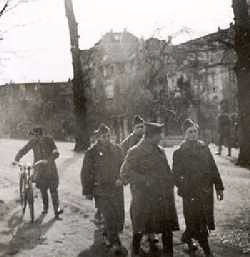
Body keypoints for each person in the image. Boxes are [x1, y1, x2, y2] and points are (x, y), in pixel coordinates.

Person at [120, 122, 179, 257]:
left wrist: (173, 179)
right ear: (152, 136)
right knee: (140, 230)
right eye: (159, 134)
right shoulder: (135, 151)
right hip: (144, 199)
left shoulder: (160, 151)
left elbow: (167, 171)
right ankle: (135, 253)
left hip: (162, 198)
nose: (161, 137)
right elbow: (124, 173)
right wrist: (145, 180)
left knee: (166, 229)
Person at [173, 119, 224, 257]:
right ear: (185, 134)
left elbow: (213, 168)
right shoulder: (179, 152)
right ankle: (207, 251)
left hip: (205, 192)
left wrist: (219, 187)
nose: (193, 134)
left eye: (195, 131)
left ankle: (187, 237)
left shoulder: (204, 148)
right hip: (190, 194)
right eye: (190, 132)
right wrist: (185, 186)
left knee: (201, 220)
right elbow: (176, 175)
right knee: (197, 221)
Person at [81, 123, 125, 252]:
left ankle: (108, 234)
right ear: (98, 137)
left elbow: (123, 167)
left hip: (116, 188)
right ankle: (114, 242)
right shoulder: (92, 152)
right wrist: (87, 191)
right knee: (109, 215)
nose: (106, 138)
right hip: (100, 189)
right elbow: (85, 172)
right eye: (103, 136)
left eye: (107, 136)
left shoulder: (117, 150)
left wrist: (122, 179)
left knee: (118, 215)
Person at [14, 126, 63, 219]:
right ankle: (45, 208)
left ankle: (57, 212)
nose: (35, 138)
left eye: (36, 136)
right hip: (39, 169)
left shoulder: (49, 140)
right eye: (34, 136)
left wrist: (48, 160)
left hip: (50, 169)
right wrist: (16, 158)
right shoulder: (33, 142)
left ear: (41, 135)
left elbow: (56, 152)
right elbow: (24, 150)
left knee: (53, 190)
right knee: (43, 190)